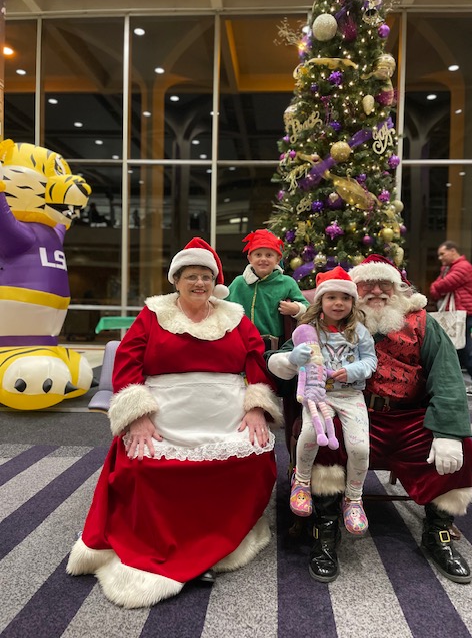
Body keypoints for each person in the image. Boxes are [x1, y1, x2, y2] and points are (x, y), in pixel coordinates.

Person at [67, 237, 282, 608]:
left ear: (215, 281)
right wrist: (136, 415)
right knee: (144, 464)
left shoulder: (234, 316)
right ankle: (165, 545)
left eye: (206, 276)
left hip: (226, 413)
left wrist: (256, 406)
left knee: (250, 460)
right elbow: (128, 364)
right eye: (191, 276)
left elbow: (255, 361)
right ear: (176, 280)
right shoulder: (153, 314)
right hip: (165, 412)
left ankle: (217, 540)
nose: (199, 283)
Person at [266, 254, 472, 585]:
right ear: (354, 290)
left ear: (398, 288)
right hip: (353, 409)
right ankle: (326, 527)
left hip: (411, 418)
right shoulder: (334, 317)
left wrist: (447, 430)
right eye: (367, 284)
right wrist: (288, 360)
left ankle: (438, 533)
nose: (377, 291)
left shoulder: (422, 322)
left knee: (460, 446)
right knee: (326, 434)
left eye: (385, 284)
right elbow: (287, 354)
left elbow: (447, 375)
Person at [274, 267, 377, 536]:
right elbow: (295, 358)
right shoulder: (308, 330)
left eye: (344, 298)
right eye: (331, 297)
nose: (338, 303)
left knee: (360, 448)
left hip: (350, 395)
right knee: (309, 433)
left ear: (353, 302)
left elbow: (371, 361)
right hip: (319, 395)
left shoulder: (360, 332)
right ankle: (302, 482)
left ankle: (354, 498)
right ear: (321, 301)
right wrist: (296, 357)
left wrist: (354, 371)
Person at [227, 229, 309, 344]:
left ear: (278, 259)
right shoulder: (239, 283)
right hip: (240, 342)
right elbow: (221, 305)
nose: (263, 259)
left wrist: (296, 308)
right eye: (258, 255)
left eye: (269, 255)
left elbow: (308, 308)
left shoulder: (287, 282)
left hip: (273, 346)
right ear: (250, 258)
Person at [430, 241, 472, 396]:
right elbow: (434, 290)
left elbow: (441, 286)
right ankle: (458, 383)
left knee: (464, 350)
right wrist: (438, 286)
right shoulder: (448, 268)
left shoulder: (463, 267)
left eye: (442, 253)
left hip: (463, 314)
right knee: (457, 349)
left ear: (453, 251)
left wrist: (438, 286)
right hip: (456, 314)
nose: (440, 258)